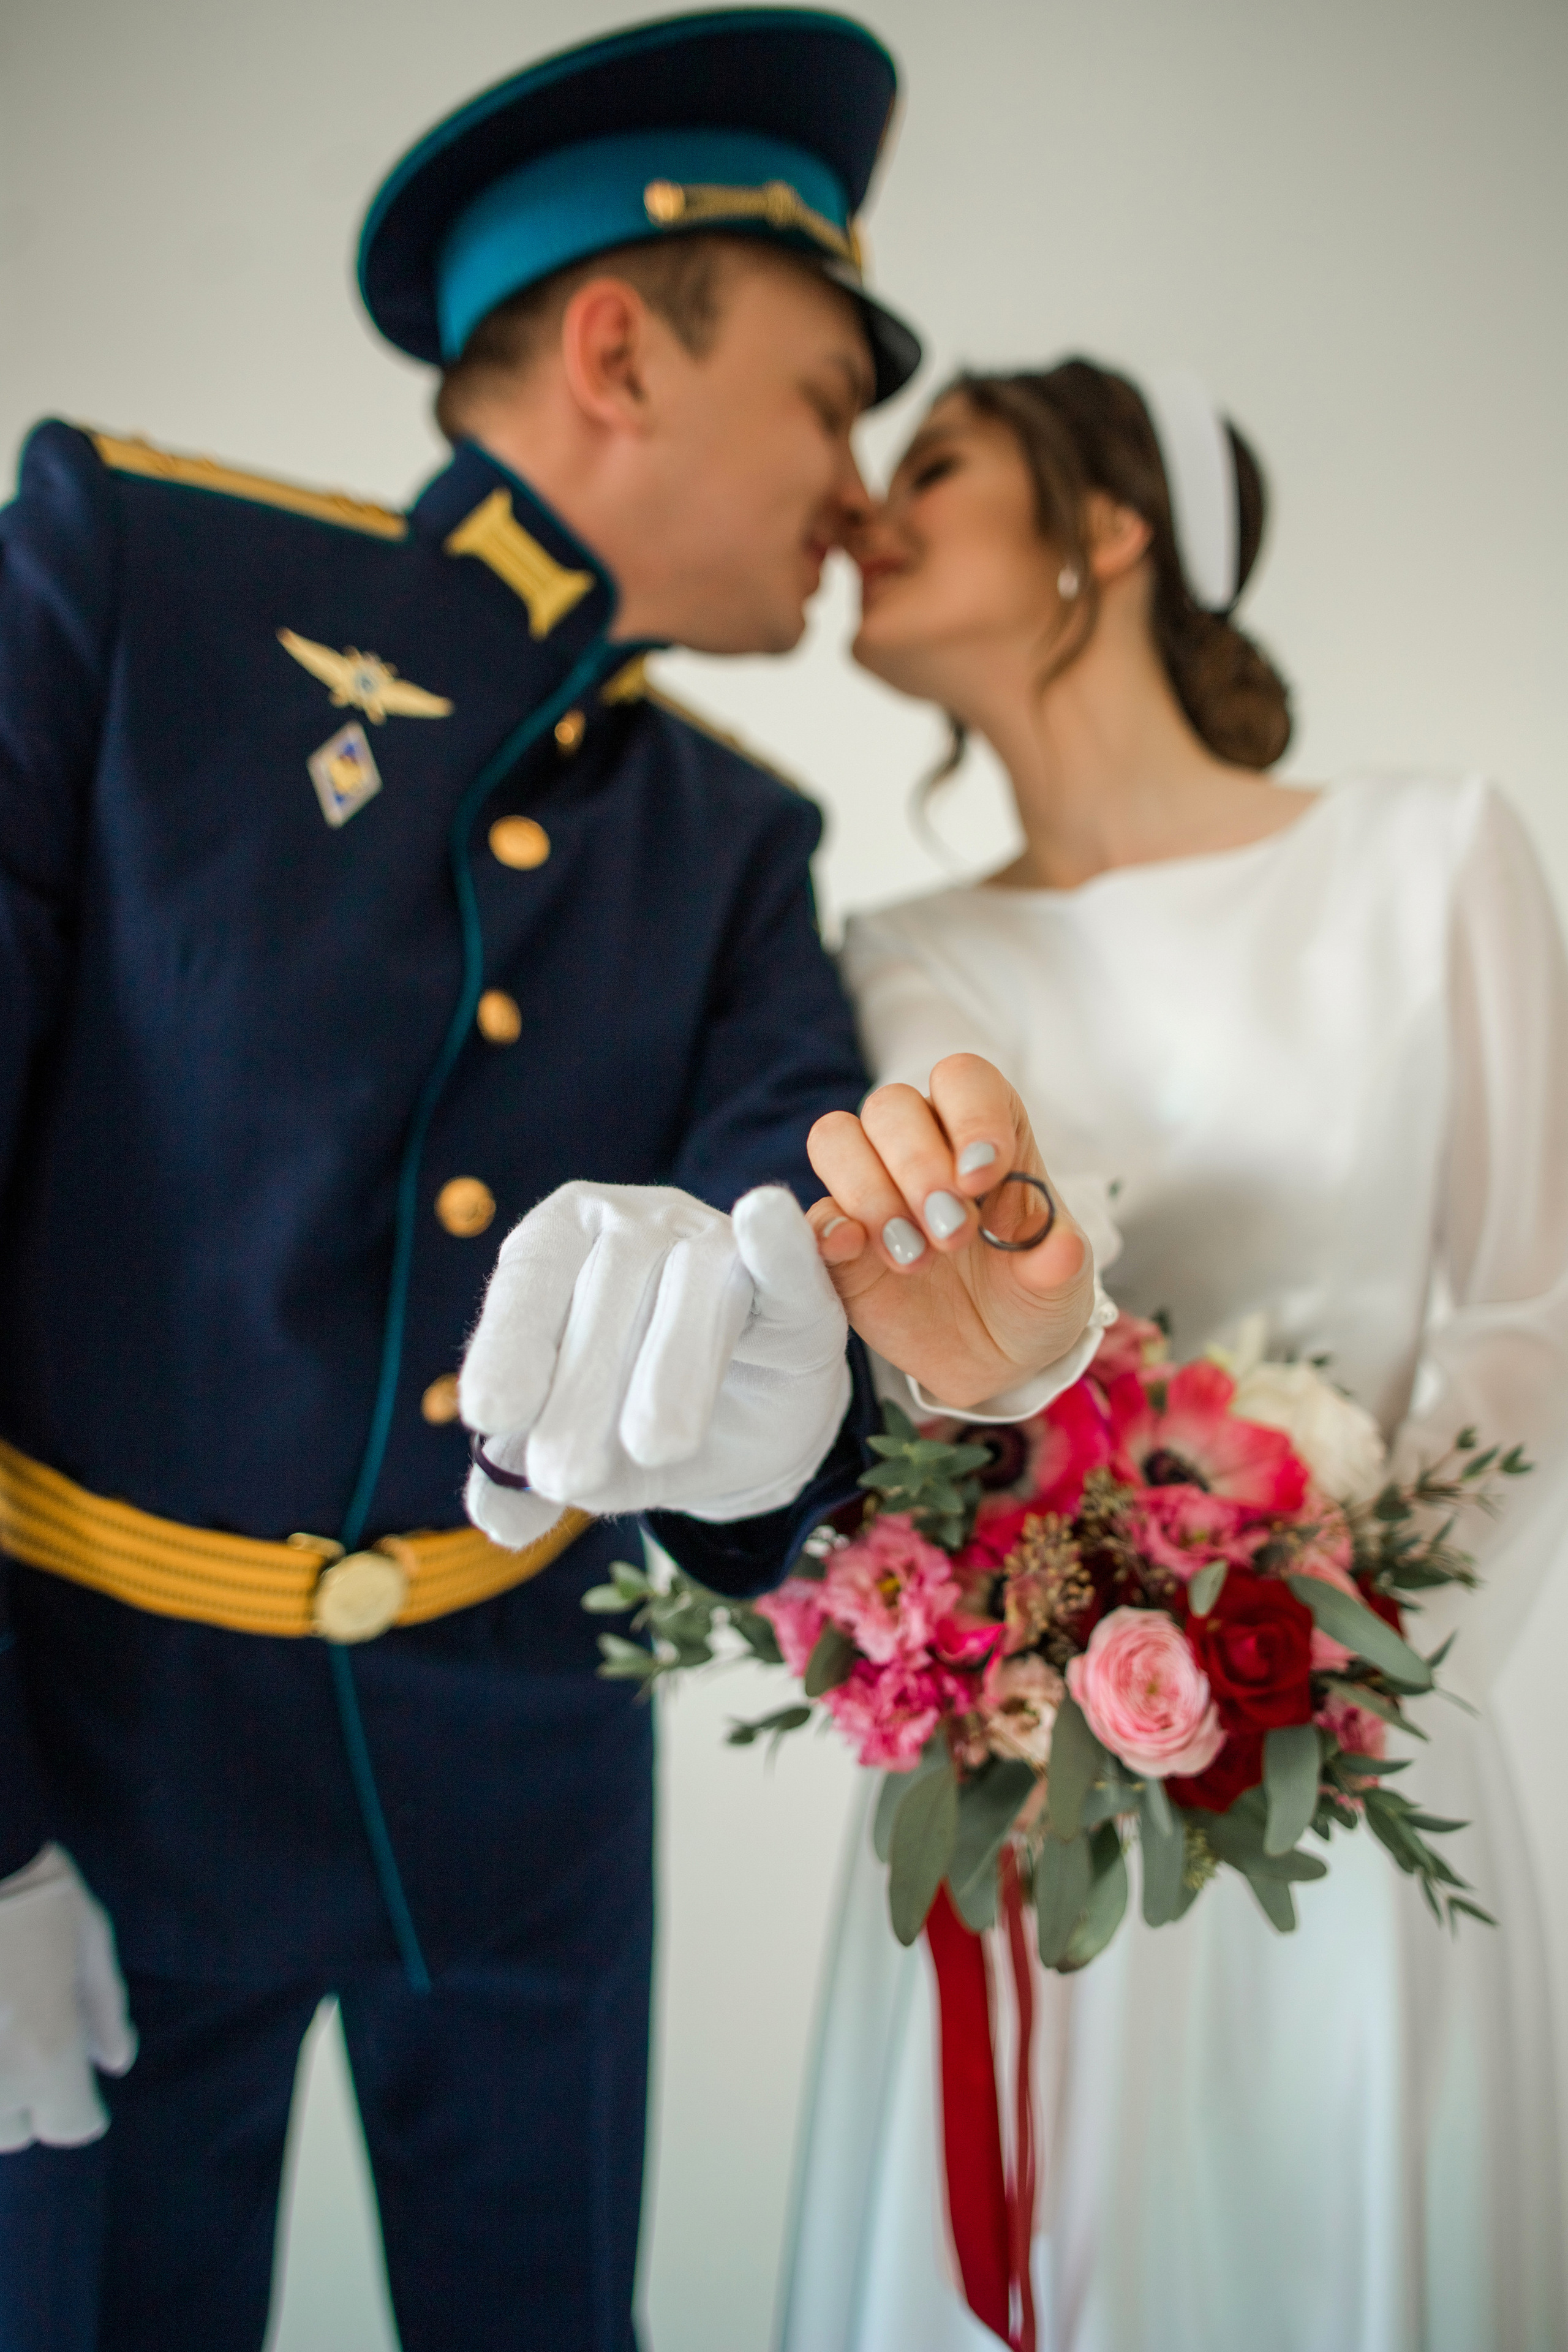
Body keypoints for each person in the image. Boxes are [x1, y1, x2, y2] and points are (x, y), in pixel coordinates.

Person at [0, 19, 1103, 2351]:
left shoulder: (735, 840)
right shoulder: (138, 584)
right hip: (90, 1792)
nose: (854, 485)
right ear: (620, 343)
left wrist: (769, 1363)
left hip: (527, 1824)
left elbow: (779, 1243)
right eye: (825, 395)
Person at [780, 358, 1568, 2351]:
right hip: (1033, 1796)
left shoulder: (1433, 857)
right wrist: (1058, 1652)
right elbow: (960, 1337)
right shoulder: (893, 946)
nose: (873, 507)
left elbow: (1532, 1316)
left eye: (936, 463)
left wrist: (1313, 1666)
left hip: (1348, 1763)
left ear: (1108, 527)